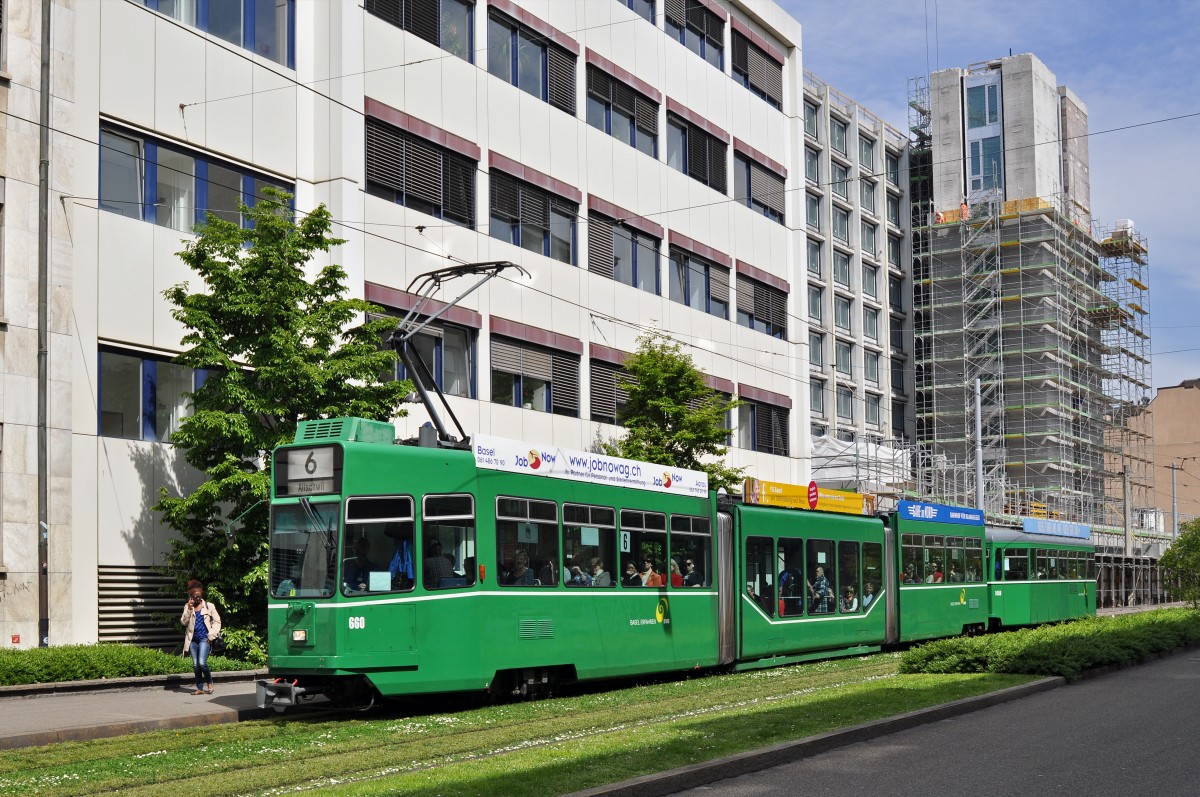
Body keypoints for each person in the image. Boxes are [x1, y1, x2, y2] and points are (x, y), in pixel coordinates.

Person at [180, 579, 221, 696]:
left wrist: (211, 636)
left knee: (202, 663)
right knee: (195, 664)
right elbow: (183, 622)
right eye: (195, 596)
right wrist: (188, 609)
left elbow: (217, 622)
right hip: (192, 640)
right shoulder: (188, 607)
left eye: (199, 596)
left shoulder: (209, 606)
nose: (198, 598)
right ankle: (199, 688)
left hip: (205, 639)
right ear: (191, 596)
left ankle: (209, 682)